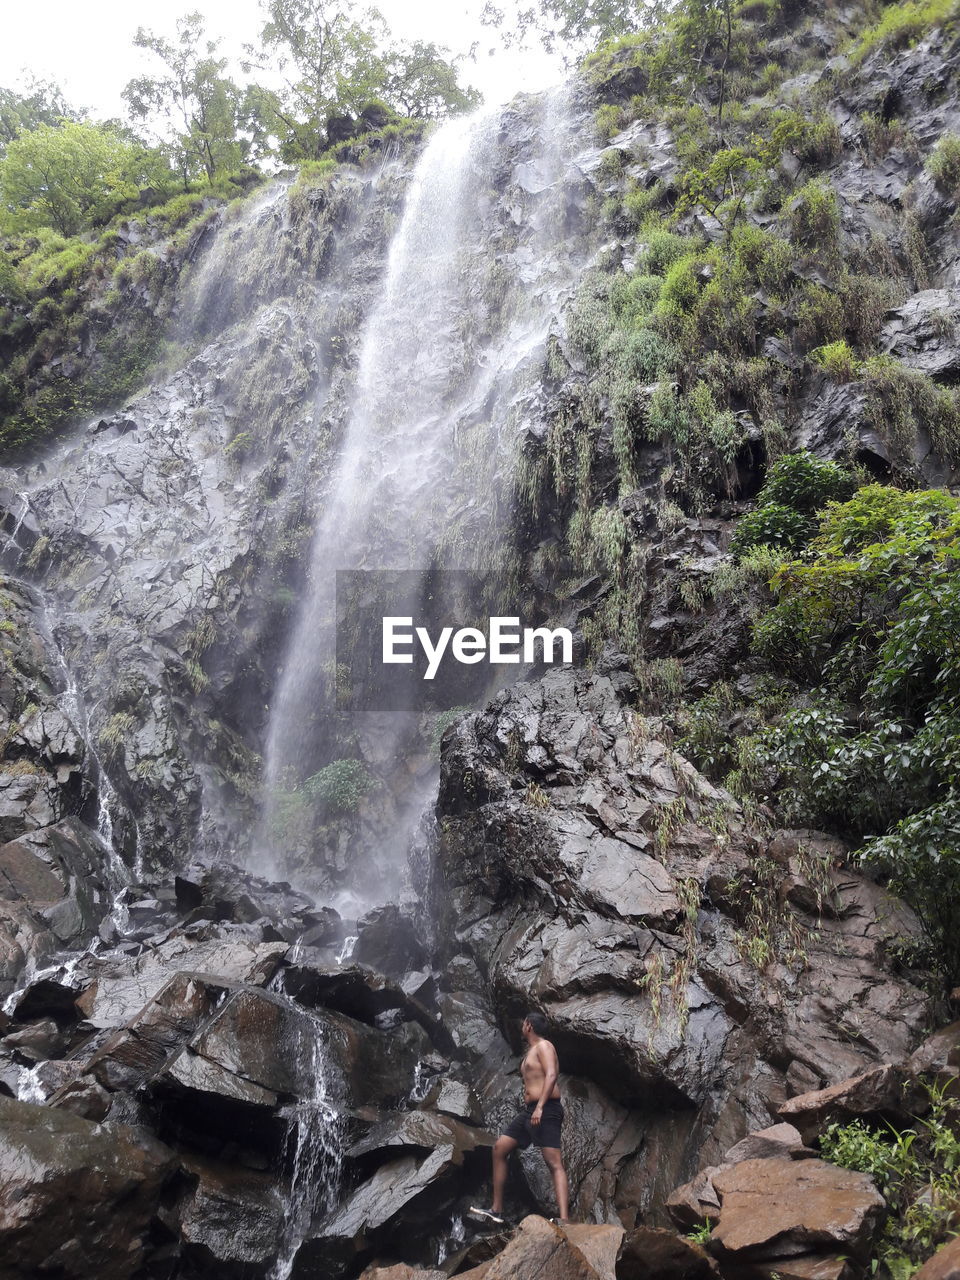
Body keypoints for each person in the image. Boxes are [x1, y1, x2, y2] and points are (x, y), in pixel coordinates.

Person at [468, 1011, 571, 1226]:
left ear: (529, 1026)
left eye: (524, 1023)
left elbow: (551, 1075)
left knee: (553, 1163)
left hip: (546, 1109)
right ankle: (496, 1210)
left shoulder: (544, 1046)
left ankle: (564, 1220)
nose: (521, 1027)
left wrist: (541, 1107)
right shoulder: (530, 1052)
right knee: (500, 1148)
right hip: (530, 1111)